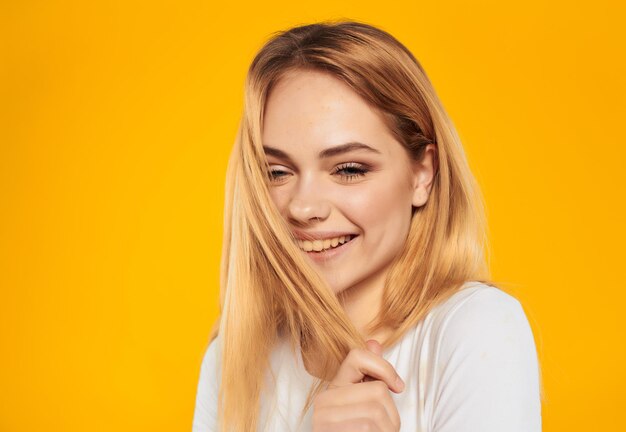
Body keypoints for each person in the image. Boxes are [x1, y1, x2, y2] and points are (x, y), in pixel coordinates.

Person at [192, 20, 542, 432]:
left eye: (350, 169)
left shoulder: (476, 330)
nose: (304, 207)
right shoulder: (235, 355)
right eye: (277, 172)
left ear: (422, 175)